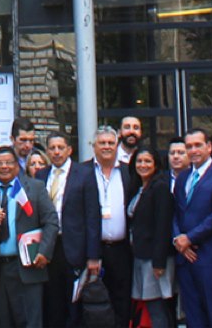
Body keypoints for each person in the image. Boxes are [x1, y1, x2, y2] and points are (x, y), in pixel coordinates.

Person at [60, 126, 132, 324]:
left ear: (117, 145)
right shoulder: (79, 172)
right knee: (91, 306)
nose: (106, 147)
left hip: (122, 249)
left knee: (121, 303)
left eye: (111, 143)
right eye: (102, 143)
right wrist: (91, 254)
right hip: (91, 250)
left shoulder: (128, 171)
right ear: (93, 146)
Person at [0, 146, 57, 328]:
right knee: (0, 322)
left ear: (17, 165)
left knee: (30, 322)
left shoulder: (35, 188)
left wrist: (44, 251)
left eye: (8, 162)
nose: (4, 167)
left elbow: (51, 222)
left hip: (28, 267)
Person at [172, 130, 212, 328]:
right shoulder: (182, 178)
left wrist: (190, 238)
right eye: (189, 146)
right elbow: (175, 212)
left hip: (209, 257)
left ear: (209, 146)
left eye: (198, 145)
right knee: (193, 315)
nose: (193, 150)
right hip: (185, 257)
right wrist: (178, 240)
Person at [126, 148, 175, 328]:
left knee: (157, 306)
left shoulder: (160, 187)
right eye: (139, 161)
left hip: (155, 259)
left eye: (147, 161)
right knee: (148, 304)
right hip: (140, 255)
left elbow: (163, 225)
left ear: (156, 165)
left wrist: (159, 262)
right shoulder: (138, 188)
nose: (143, 165)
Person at [38, 132, 75, 328]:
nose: (57, 152)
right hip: (48, 246)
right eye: (52, 148)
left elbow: (91, 215)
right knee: (52, 303)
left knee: (73, 304)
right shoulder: (41, 175)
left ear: (69, 150)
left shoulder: (82, 174)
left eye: (61, 148)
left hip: (72, 246)